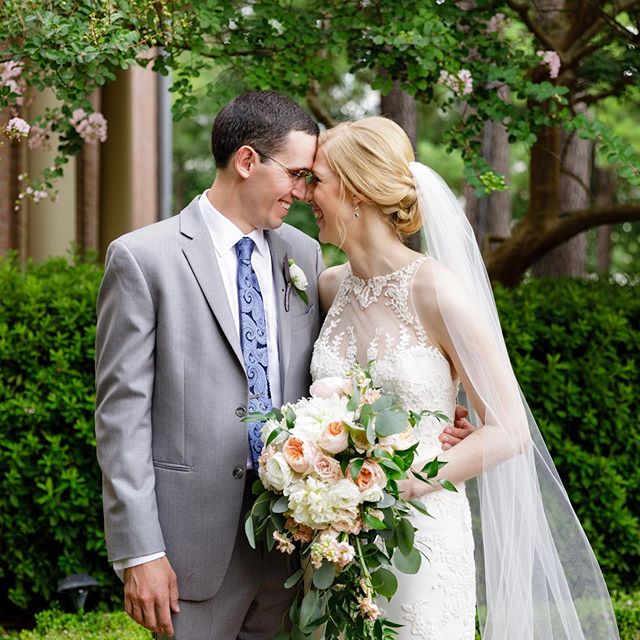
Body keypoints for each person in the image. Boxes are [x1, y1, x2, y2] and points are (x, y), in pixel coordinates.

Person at [94, 92, 473, 640]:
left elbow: (351, 373)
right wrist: (140, 551)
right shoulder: (143, 259)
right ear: (247, 162)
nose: (303, 191)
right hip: (191, 552)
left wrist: (433, 423)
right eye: (297, 174)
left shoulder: (305, 255)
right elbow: (120, 418)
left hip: (301, 550)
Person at [309, 116, 620, 639]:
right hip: (336, 544)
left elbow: (509, 429)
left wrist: (400, 480)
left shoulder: (439, 292)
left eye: (316, 180)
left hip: (422, 537)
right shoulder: (327, 288)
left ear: (356, 189)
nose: (305, 193)